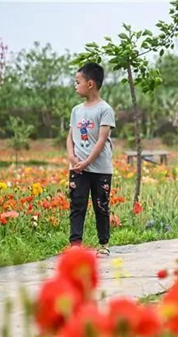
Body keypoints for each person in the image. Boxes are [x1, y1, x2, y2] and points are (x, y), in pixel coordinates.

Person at [66, 62, 116, 256]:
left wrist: (87, 162)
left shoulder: (105, 110)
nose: (75, 85)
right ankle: (75, 247)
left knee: (101, 206)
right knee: (77, 206)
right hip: (78, 168)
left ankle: (103, 243)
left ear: (90, 84)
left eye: (77, 81)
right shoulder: (76, 110)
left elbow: (102, 141)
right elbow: (70, 137)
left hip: (100, 169)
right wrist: (72, 157)